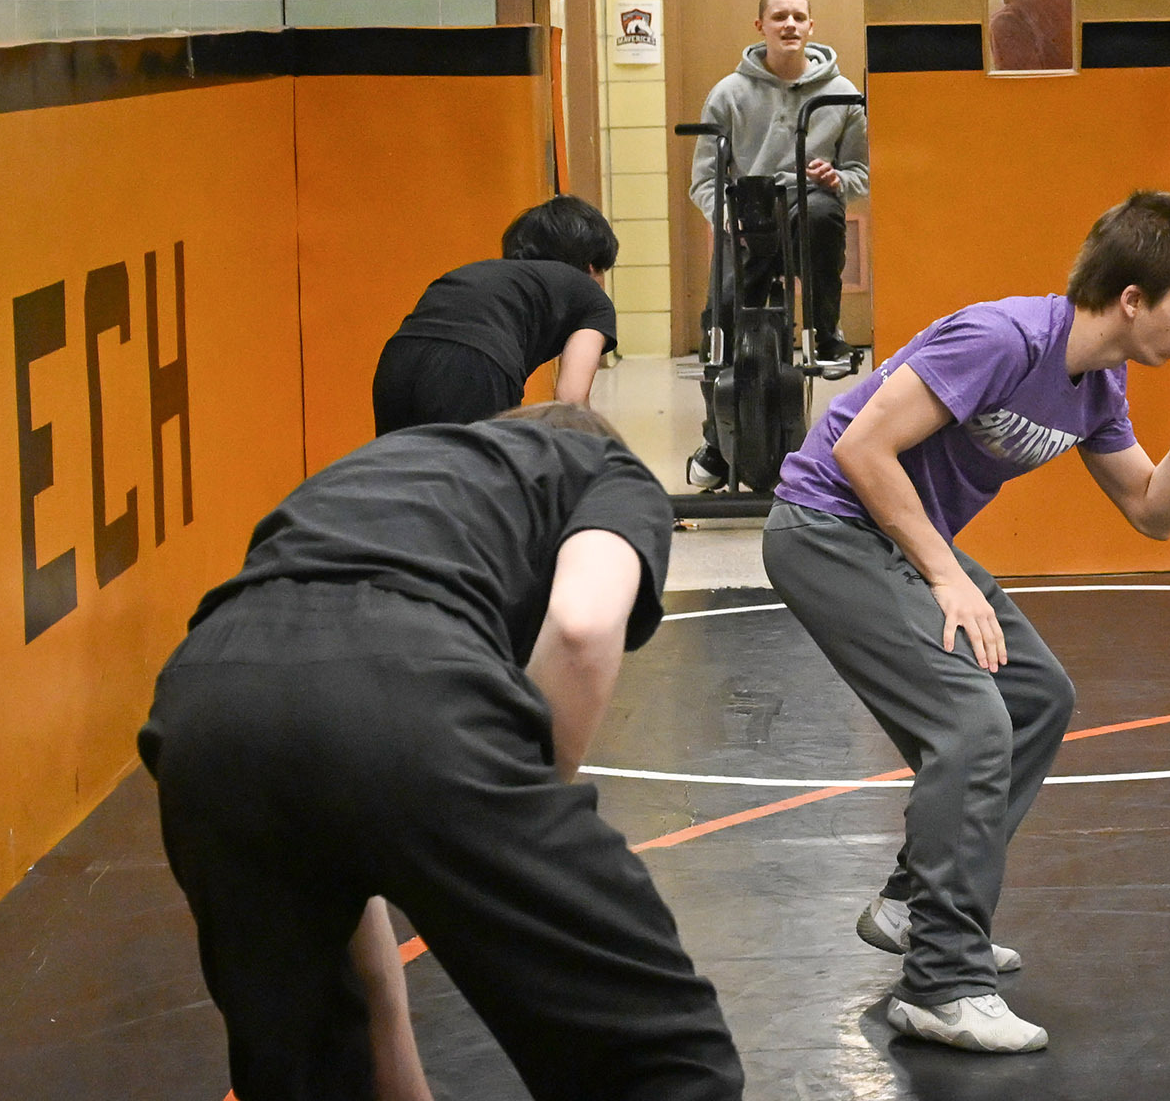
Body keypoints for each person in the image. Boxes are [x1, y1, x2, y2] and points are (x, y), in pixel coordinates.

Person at [762, 191, 1170, 1055]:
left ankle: (911, 905)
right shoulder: (1003, 339)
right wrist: (947, 577)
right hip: (826, 530)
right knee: (968, 723)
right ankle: (943, 984)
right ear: (1134, 299)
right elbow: (858, 450)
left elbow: (1152, 511)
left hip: (892, 535)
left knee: (1035, 696)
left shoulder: (1097, 384)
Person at [139, 402, 737, 1101]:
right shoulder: (605, 468)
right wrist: (523, 834)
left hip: (206, 706)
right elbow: (580, 627)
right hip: (403, 678)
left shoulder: (377, 472)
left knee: (313, 1071)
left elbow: (339, 841)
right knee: (665, 1059)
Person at [687, 0, 870, 487]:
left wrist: (838, 180)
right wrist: (724, 216)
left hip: (804, 203)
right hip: (746, 205)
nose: (789, 25)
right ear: (761, 26)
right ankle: (716, 439)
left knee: (823, 212)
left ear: (812, 26)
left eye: (798, 17)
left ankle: (826, 334)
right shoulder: (728, 93)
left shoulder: (843, 93)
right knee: (720, 316)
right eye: (779, 17)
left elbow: (860, 171)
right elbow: (704, 179)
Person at [371, 197, 620, 435]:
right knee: (482, 472)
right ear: (591, 266)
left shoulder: (490, 274)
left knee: (402, 469)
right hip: (471, 363)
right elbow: (570, 402)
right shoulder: (590, 293)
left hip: (399, 357)